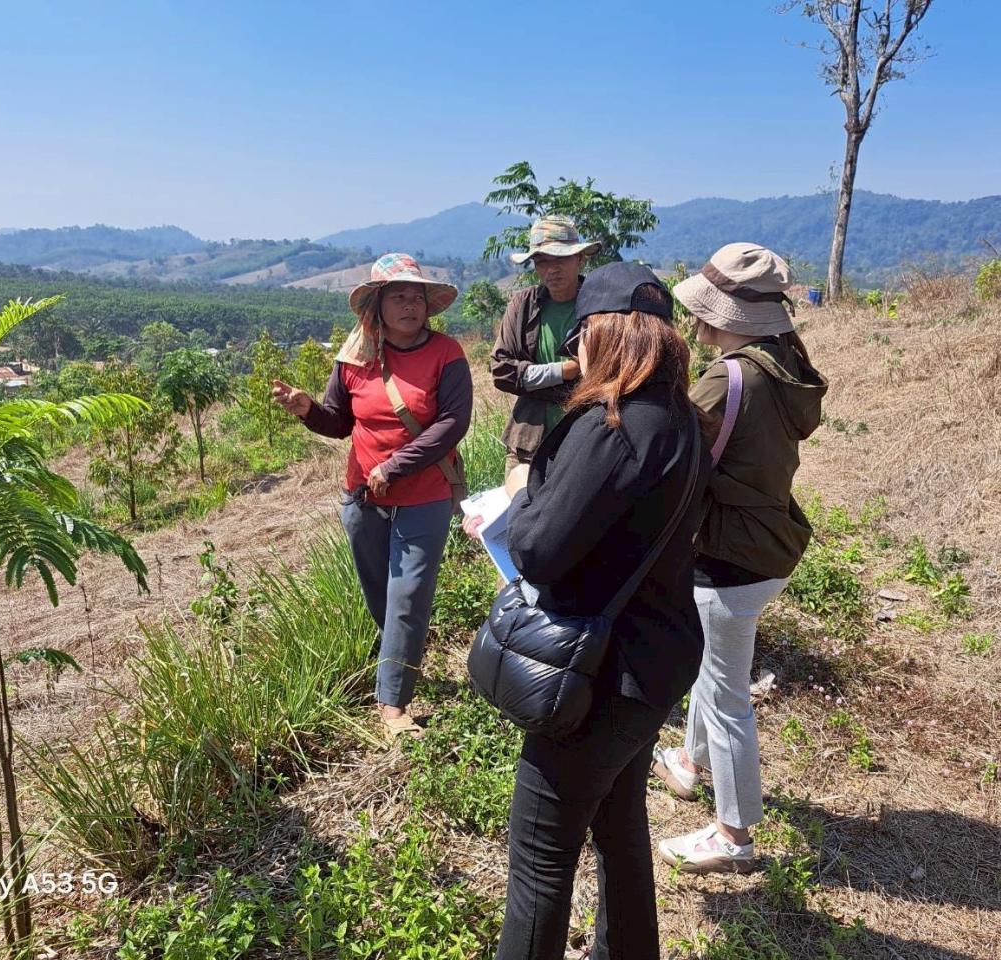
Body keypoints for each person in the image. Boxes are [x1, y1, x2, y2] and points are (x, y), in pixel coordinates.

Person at [478, 262, 708, 960]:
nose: (574, 352)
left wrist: (519, 492)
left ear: (600, 334)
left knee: (540, 856)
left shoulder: (612, 424)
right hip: (657, 658)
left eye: (580, 336)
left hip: (601, 676)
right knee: (618, 825)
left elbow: (537, 549)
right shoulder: (682, 418)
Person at [653, 243, 827, 874]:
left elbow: (669, 454)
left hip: (729, 553)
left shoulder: (727, 379)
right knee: (713, 666)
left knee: (727, 695)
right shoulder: (783, 366)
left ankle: (733, 834)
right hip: (769, 542)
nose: (695, 321)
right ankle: (689, 763)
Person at [273, 253, 472, 741]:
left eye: (416, 296)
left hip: (425, 495)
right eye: (397, 296)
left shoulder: (446, 354)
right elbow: (340, 423)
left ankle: (393, 704)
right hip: (363, 497)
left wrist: (394, 466)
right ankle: (400, 659)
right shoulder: (355, 359)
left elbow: (452, 423)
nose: (409, 304)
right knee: (382, 597)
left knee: (408, 594)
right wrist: (307, 409)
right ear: (377, 306)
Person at [490, 215, 602, 475]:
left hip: (586, 442)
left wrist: (532, 380)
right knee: (521, 498)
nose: (552, 269)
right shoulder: (523, 305)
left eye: (561, 258)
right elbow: (502, 372)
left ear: (580, 258)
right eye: (542, 261)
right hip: (528, 443)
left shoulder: (600, 306)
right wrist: (565, 371)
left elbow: (608, 373)